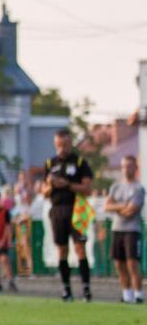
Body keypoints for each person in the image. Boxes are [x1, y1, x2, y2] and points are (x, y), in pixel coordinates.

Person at [43, 129, 94, 301]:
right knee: (61, 249)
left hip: (76, 210)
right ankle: (66, 289)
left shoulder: (79, 162)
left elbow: (87, 189)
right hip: (57, 210)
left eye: (65, 145)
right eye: (58, 145)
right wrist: (51, 184)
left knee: (80, 248)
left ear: (70, 143)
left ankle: (86, 289)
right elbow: (44, 192)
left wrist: (67, 184)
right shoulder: (50, 163)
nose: (62, 148)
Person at [105, 155, 145, 304]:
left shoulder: (138, 188)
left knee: (132, 263)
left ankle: (138, 294)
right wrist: (122, 205)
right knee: (119, 264)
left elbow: (131, 211)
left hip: (132, 230)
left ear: (135, 168)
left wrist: (116, 206)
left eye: (129, 166)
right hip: (117, 229)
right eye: (123, 166)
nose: (126, 169)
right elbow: (107, 206)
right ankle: (127, 294)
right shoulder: (115, 187)